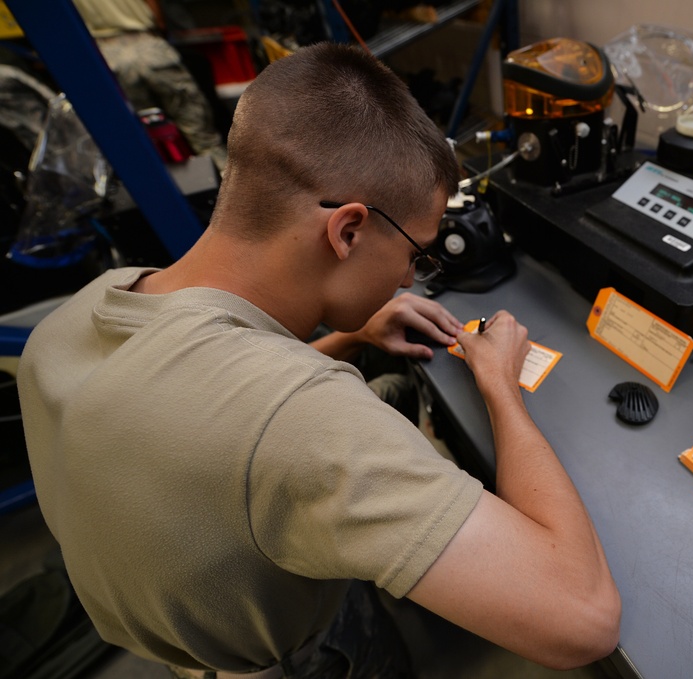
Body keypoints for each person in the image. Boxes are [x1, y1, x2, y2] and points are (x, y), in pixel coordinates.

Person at [17, 43, 621, 678]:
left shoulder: (77, 315)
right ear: (349, 231)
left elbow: (200, 405)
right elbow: (584, 617)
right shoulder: (301, 418)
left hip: (186, 628)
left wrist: (353, 335)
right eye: (416, 254)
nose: (410, 282)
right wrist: (500, 385)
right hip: (301, 658)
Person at [71, 0, 229, 171]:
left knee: (150, 136)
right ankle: (226, 177)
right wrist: (160, 29)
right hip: (147, 44)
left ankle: (176, 186)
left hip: (107, 54)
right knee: (200, 132)